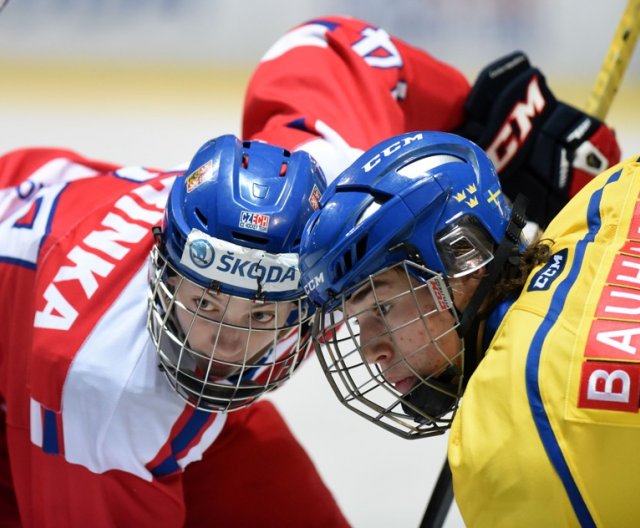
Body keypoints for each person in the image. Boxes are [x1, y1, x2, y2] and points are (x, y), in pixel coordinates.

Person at [0, 134, 349, 527]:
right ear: (162, 273)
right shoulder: (108, 384)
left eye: (261, 316)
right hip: (46, 385)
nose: (227, 345)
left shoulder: (340, 239)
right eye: (205, 304)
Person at [297, 129, 640, 526]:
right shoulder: (611, 196)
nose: (369, 349)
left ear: (463, 256)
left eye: (383, 306)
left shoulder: (509, 444)